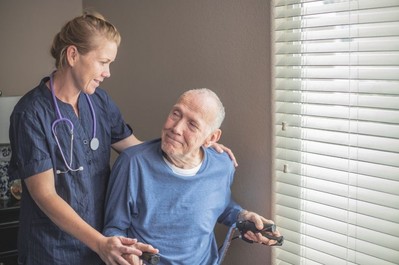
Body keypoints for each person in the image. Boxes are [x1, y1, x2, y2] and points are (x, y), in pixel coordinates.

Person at [8, 12, 235, 265]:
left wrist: (199, 145)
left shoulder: (99, 102)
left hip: (100, 245)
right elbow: (45, 196)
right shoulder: (30, 114)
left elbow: (139, 151)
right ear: (73, 55)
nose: (107, 73)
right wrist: (99, 242)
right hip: (52, 249)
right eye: (103, 62)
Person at [103, 88, 282, 265]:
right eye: (175, 114)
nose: (176, 128)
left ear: (211, 138)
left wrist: (243, 217)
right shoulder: (132, 163)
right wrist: (127, 254)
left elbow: (220, 206)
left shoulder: (223, 165)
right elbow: (114, 228)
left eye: (192, 124)